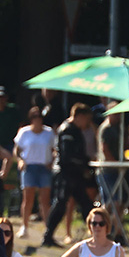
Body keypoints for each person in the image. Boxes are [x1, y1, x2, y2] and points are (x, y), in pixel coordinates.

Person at [41, 103, 95, 248]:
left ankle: (97, 233)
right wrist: (84, 162)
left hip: (73, 173)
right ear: (80, 116)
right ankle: (48, 235)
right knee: (61, 204)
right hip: (66, 173)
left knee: (85, 204)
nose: (88, 123)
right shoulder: (68, 130)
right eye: (87, 119)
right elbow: (67, 155)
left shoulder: (73, 130)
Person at [13, 107, 55, 238]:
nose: (38, 121)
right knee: (28, 198)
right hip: (29, 167)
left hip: (44, 167)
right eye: (35, 118)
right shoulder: (24, 132)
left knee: (45, 199)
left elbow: (55, 149)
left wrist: (52, 161)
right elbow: (17, 150)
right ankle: (24, 226)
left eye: (40, 119)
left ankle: (48, 228)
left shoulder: (49, 132)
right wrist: (20, 160)